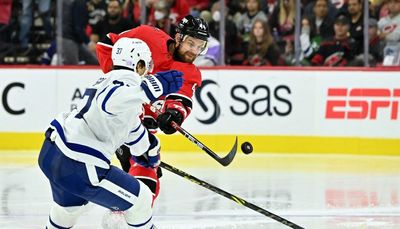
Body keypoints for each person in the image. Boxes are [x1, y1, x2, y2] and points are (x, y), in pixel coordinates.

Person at [38, 37, 183, 229]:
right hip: (79, 163)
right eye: (146, 65)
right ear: (138, 65)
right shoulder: (127, 85)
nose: (148, 71)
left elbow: (133, 131)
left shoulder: (105, 81)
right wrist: (150, 88)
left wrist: (150, 151)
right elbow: (110, 102)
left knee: (67, 211)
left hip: (52, 153)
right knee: (141, 201)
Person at [96, 14, 209, 206]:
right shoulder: (147, 35)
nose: (194, 51)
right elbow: (107, 43)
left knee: (148, 184)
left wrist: (173, 115)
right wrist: (122, 81)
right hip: (116, 118)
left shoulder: (190, 72)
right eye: (191, 43)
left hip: (142, 131)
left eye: (200, 46)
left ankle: (122, 216)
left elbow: (181, 101)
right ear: (179, 37)